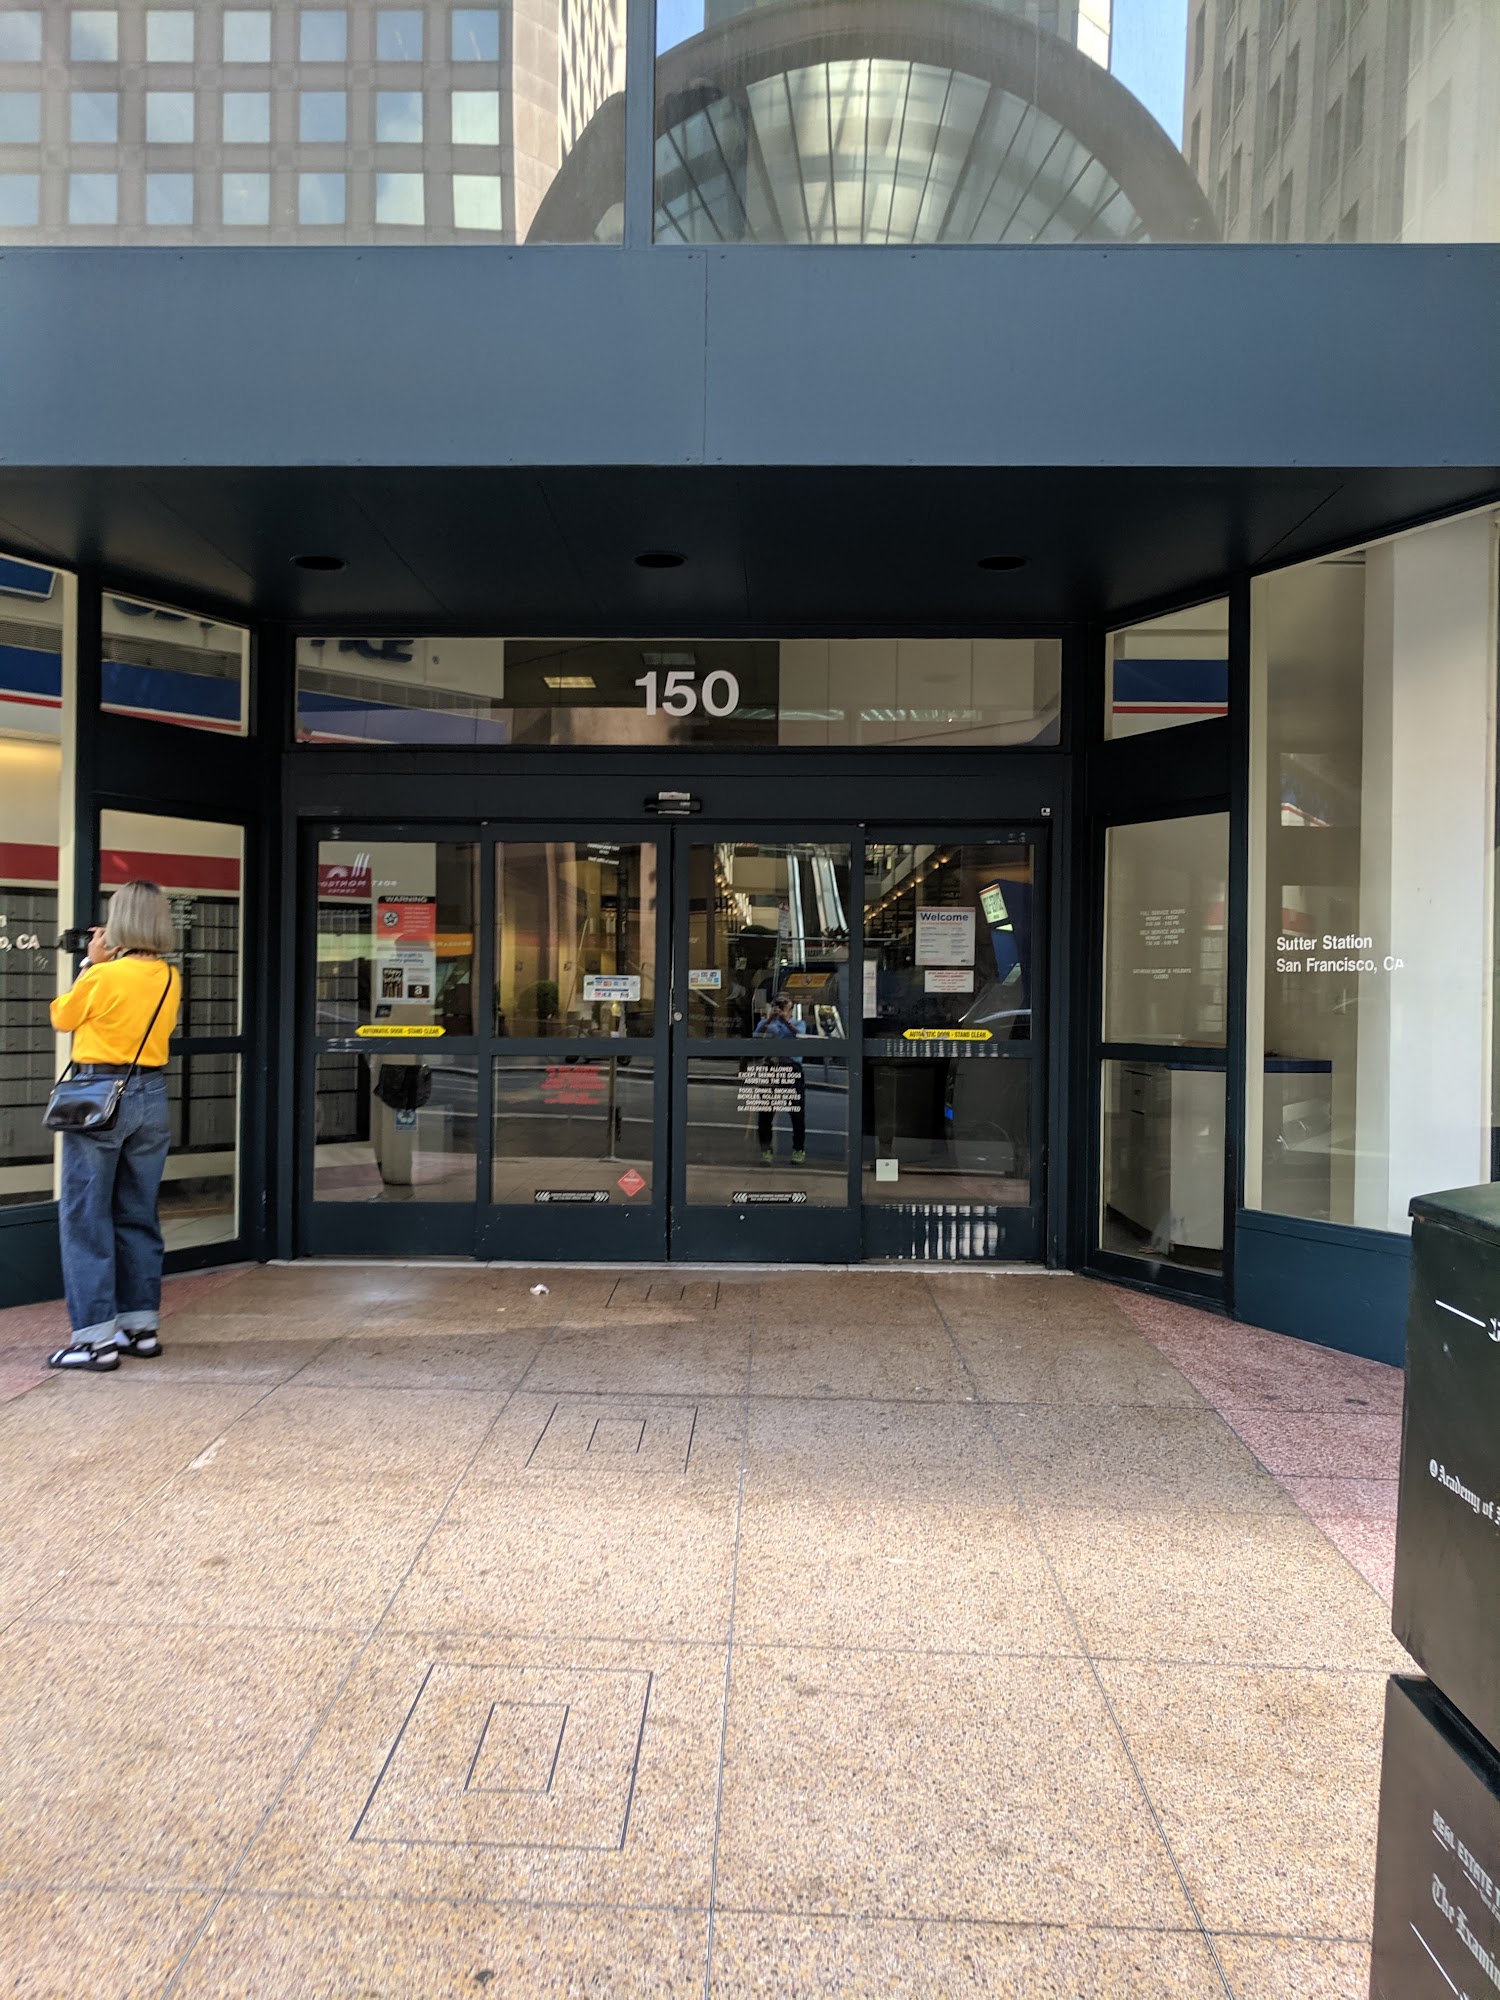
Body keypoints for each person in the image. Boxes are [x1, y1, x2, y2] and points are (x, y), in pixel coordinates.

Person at [46, 881, 182, 1374]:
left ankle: (94, 1340)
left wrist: (90, 963)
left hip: (100, 1096)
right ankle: (140, 1327)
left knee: (86, 1216)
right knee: (137, 1213)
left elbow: (62, 1016)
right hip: (151, 1096)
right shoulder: (169, 976)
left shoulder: (103, 975)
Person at [753, 993, 806, 1164]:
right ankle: (766, 1150)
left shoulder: (798, 1023)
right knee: (766, 1112)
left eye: (784, 1004)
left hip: (791, 1068)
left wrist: (785, 1021)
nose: (780, 1007)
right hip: (770, 1068)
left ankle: (798, 1149)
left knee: (796, 1112)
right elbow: (756, 1037)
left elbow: (800, 1036)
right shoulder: (767, 1023)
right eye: (777, 1004)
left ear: (791, 1007)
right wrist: (769, 1020)